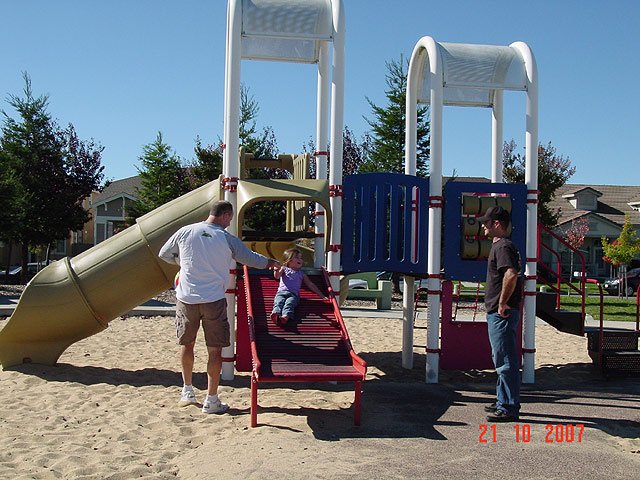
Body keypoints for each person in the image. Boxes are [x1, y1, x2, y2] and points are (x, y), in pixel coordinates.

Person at [159, 200, 280, 414]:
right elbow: (250, 259)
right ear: (225, 215)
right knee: (214, 350)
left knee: (187, 344)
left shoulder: (185, 231)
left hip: (187, 298)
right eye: (229, 219)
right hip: (213, 299)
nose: (229, 223)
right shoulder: (225, 238)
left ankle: (187, 390)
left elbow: (164, 254)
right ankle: (211, 399)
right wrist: (272, 263)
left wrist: (183, 263)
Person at [478, 205, 523, 422]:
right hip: (499, 312)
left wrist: (503, 303)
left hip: (502, 313)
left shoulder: (503, 246)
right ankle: (502, 400)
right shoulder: (501, 246)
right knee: (501, 358)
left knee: (505, 360)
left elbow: (511, 275)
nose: (483, 227)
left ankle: (508, 407)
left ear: (497, 224)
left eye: (486, 223)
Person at [271, 248, 328, 326]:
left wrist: (321, 295)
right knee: (278, 302)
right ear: (289, 260)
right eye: (297, 257)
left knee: (289, 304)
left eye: (301, 258)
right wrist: (275, 270)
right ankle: (275, 313)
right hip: (281, 293)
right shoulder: (284, 269)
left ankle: (285, 316)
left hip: (293, 294)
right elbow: (277, 276)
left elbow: (310, 284)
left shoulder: (301, 274)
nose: (300, 260)